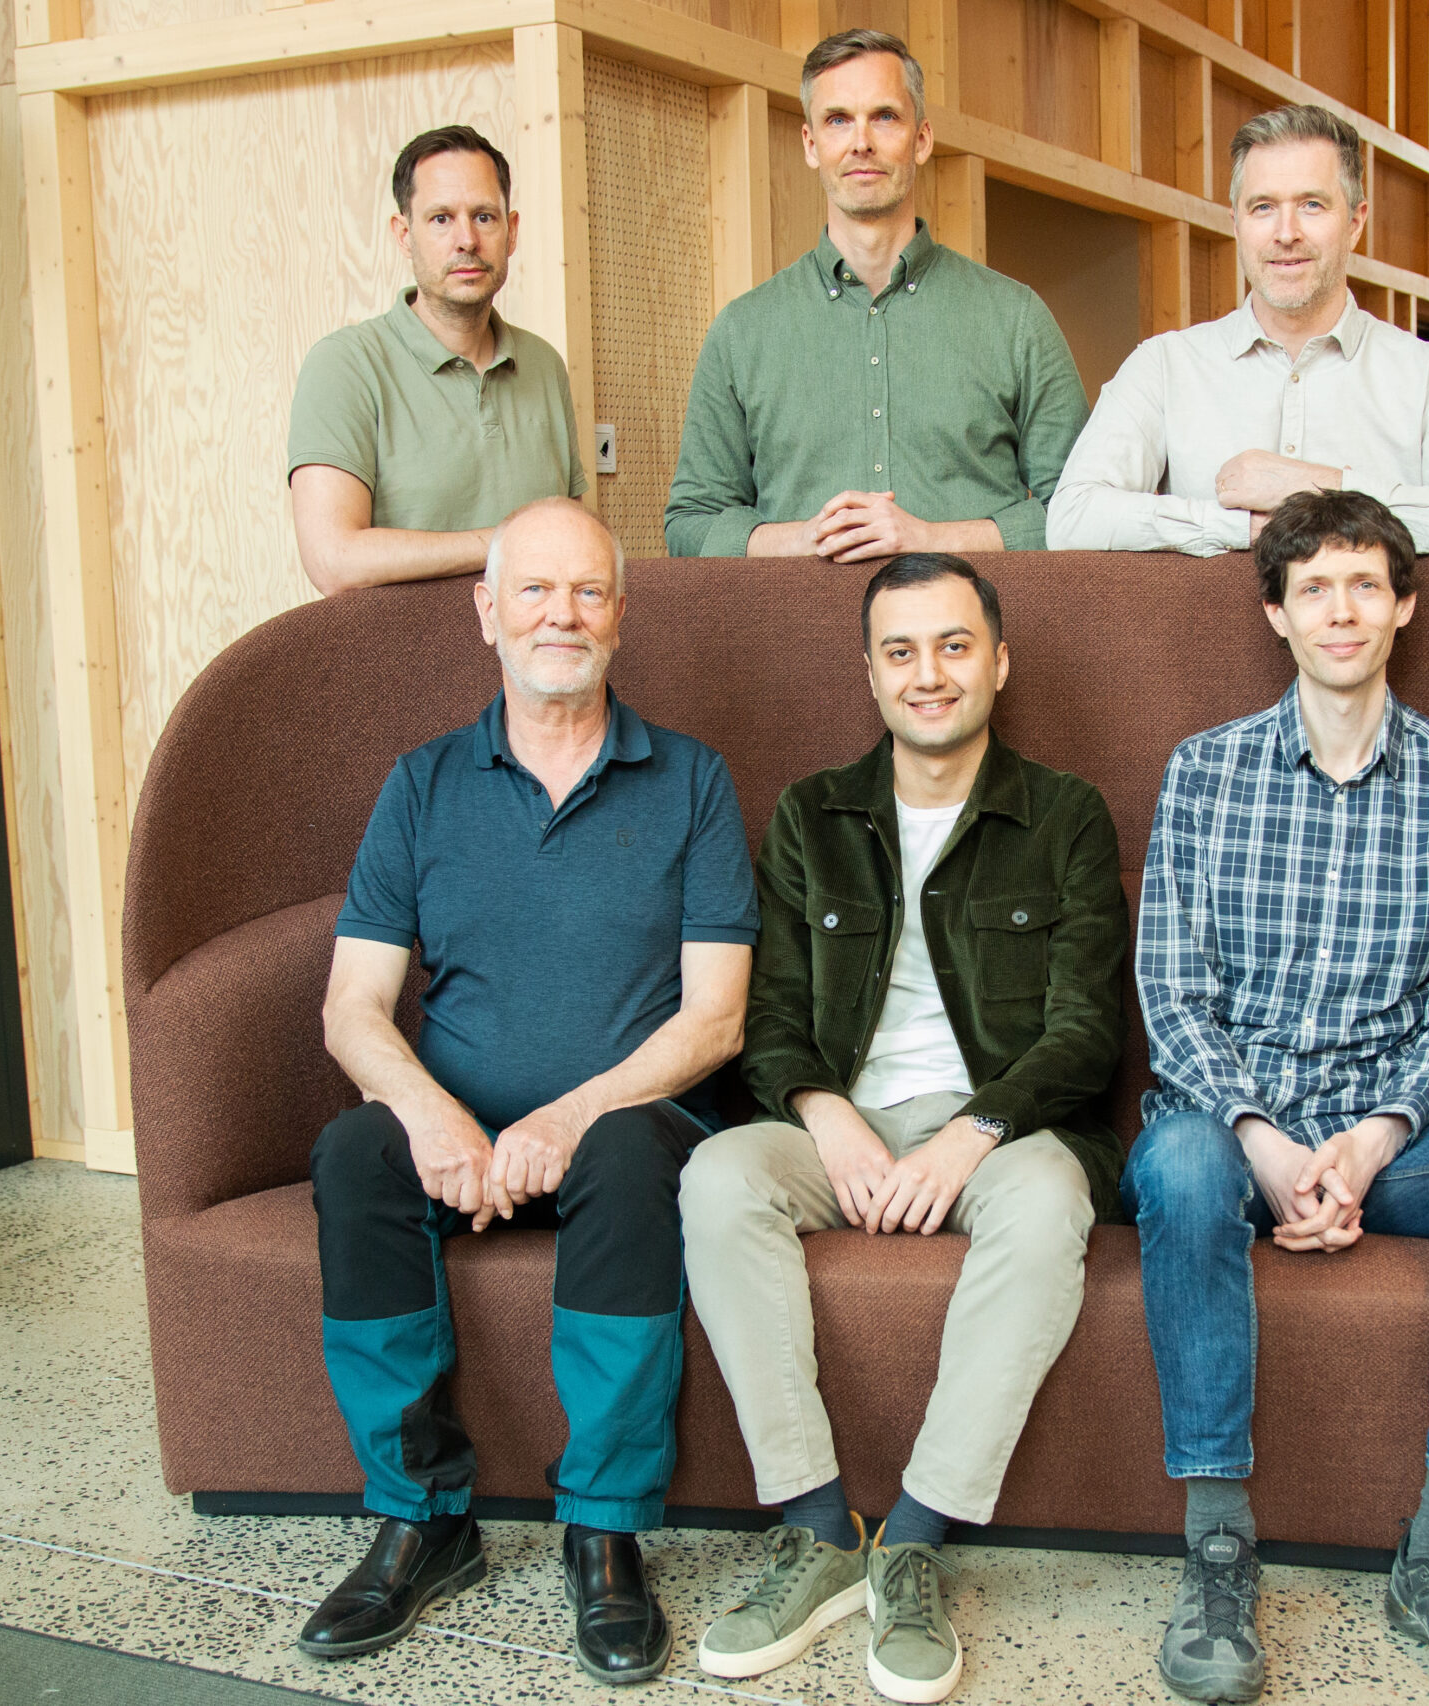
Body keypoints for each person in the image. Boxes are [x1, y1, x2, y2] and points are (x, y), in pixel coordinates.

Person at [1123, 489, 1429, 1706]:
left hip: (1395, 1140)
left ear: (1403, 607)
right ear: (1275, 613)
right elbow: (1172, 994)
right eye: (1314, 587)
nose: (1341, 609)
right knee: (1177, 1162)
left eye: (1365, 584)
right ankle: (1216, 1545)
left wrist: (1372, 1142)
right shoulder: (1205, 771)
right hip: (1231, 1135)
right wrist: (1267, 1145)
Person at [295, 499, 756, 1685]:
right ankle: (422, 1518)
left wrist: (568, 1114)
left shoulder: (692, 780)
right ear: (486, 611)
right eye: (535, 590)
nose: (562, 614)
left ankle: (603, 1530)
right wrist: (430, 1112)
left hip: (626, 1129)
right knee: (353, 1152)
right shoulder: (422, 783)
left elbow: (716, 1018)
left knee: (626, 1149)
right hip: (458, 1135)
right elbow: (353, 1007)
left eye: (588, 591)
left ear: (621, 614)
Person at [679, 554, 1128, 1703]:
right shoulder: (810, 814)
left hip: (1001, 1128)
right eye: (900, 650)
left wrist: (972, 1130)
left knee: (1049, 1202)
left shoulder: (1064, 813)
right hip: (842, 1115)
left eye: (953, 645)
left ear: (999, 661)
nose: (928, 673)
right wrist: (826, 1114)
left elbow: (1086, 1031)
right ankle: (821, 1530)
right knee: (719, 1174)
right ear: (871, 673)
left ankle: (915, 1537)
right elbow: (771, 1016)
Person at [664, 30, 1088, 562]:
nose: (861, 141)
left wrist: (932, 539)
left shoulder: (1015, 319)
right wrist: (800, 539)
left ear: (922, 139)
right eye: (838, 119)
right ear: (811, 145)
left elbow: (1082, 509)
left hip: (966, 617)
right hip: (800, 619)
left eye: (884, 116)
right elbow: (691, 523)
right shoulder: (742, 332)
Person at [1047, 105, 1429, 562]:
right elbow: (1072, 518)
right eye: (1262, 207)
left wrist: (1317, 488)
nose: (1285, 233)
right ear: (1236, 223)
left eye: (1312, 205)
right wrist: (1238, 527)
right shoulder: (1164, 366)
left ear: (1355, 222)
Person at [288, 126, 587, 594]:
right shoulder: (344, 365)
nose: (467, 239)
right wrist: (507, 542)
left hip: (535, 644)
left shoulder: (544, 365)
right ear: (404, 235)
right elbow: (334, 560)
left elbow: (574, 541)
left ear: (511, 232)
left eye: (484, 217)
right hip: (400, 644)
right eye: (441, 219)